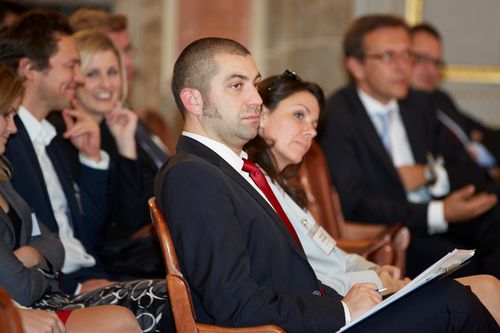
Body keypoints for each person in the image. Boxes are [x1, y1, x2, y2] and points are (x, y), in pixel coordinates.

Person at [154, 36, 497, 332]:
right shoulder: (192, 174)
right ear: (193, 100)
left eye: (255, 84)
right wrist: (344, 309)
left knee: (456, 294)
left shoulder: (234, 170)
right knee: (452, 301)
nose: (256, 99)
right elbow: (234, 303)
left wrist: (355, 293)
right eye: (236, 85)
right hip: (302, 325)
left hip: (320, 309)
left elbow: (289, 267)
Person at [245, 70, 500, 324]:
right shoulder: (254, 188)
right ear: (262, 115)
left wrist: (374, 270)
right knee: (474, 293)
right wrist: (376, 281)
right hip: (337, 307)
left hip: (360, 291)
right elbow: (300, 279)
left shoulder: (282, 188)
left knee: (488, 287)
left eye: (314, 124)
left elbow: (332, 253)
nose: (310, 132)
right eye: (299, 115)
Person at [0, 10, 173, 332]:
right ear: (29, 69)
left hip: (77, 275)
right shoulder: (11, 141)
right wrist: (71, 281)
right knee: (172, 299)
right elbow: (30, 248)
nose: (78, 78)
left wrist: (93, 162)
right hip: (57, 287)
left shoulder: (51, 136)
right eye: (71, 65)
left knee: (182, 292)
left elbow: (69, 238)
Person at [318, 14, 500, 278]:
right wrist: (439, 212)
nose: (403, 67)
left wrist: (431, 176)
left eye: (407, 55)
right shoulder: (338, 116)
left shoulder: (418, 105)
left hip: (442, 213)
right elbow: (357, 204)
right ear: (356, 66)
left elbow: (470, 170)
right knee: (465, 261)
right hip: (397, 234)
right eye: (389, 56)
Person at [0, 64, 141, 333]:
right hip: (39, 298)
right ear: (30, 68)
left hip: (56, 290)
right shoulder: (25, 149)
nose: (13, 127)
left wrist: (31, 256)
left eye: (114, 72)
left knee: (166, 296)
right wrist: (46, 269)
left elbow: (55, 242)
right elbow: (21, 287)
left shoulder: (3, 175)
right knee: (126, 317)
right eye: (6, 115)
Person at [47, 29, 165, 280]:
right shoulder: (61, 134)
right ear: (75, 78)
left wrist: (125, 143)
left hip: (130, 260)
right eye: (93, 74)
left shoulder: (118, 127)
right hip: (97, 268)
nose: (106, 84)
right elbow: (110, 227)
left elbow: (135, 215)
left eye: (112, 72)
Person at [410, 22, 500, 171]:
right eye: (422, 58)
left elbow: (488, 134)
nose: (431, 70)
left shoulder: (441, 99)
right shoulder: (400, 110)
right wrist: (472, 151)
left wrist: (480, 148)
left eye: (437, 63)